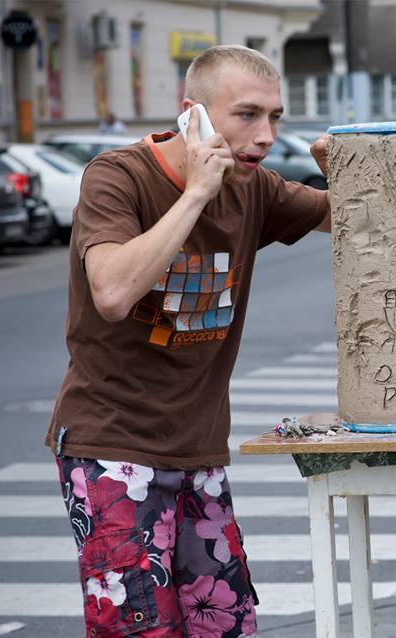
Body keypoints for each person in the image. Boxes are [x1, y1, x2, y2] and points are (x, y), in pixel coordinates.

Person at [44, 45, 332, 637]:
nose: (265, 135)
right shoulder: (116, 177)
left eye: (275, 117)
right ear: (191, 115)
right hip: (112, 448)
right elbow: (114, 292)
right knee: (140, 628)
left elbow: (356, 216)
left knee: (225, 624)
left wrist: (351, 170)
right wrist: (196, 192)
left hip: (199, 453)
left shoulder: (254, 187)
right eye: (246, 115)